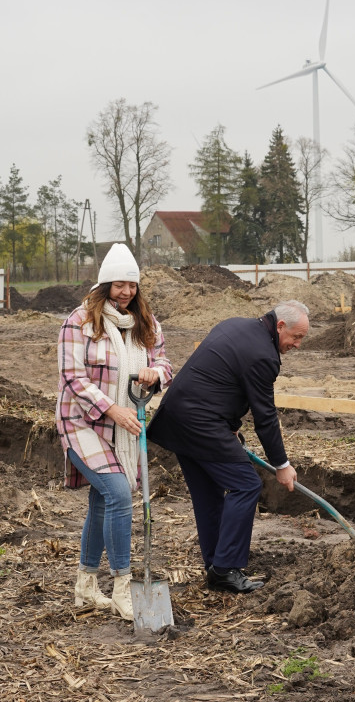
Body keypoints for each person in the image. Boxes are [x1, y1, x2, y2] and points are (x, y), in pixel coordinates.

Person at [146, 299, 309, 594]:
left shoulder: (236, 325)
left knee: (209, 493)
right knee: (245, 484)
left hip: (178, 417)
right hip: (199, 422)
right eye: (296, 337)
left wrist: (230, 425)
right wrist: (282, 466)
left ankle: (215, 566)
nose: (297, 345)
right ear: (280, 326)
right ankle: (225, 568)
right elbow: (265, 416)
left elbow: (219, 380)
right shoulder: (264, 355)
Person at [56, 243, 172, 620]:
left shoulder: (146, 323)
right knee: (119, 494)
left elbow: (164, 361)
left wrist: (157, 373)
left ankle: (86, 586)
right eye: (119, 285)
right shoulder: (80, 322)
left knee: (103, 500)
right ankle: (123, 585)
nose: (126, 293)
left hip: (122, 425)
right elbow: (72, 377)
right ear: (105, 284)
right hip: (81, 422)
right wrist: (112, 409)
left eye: (132, 286)